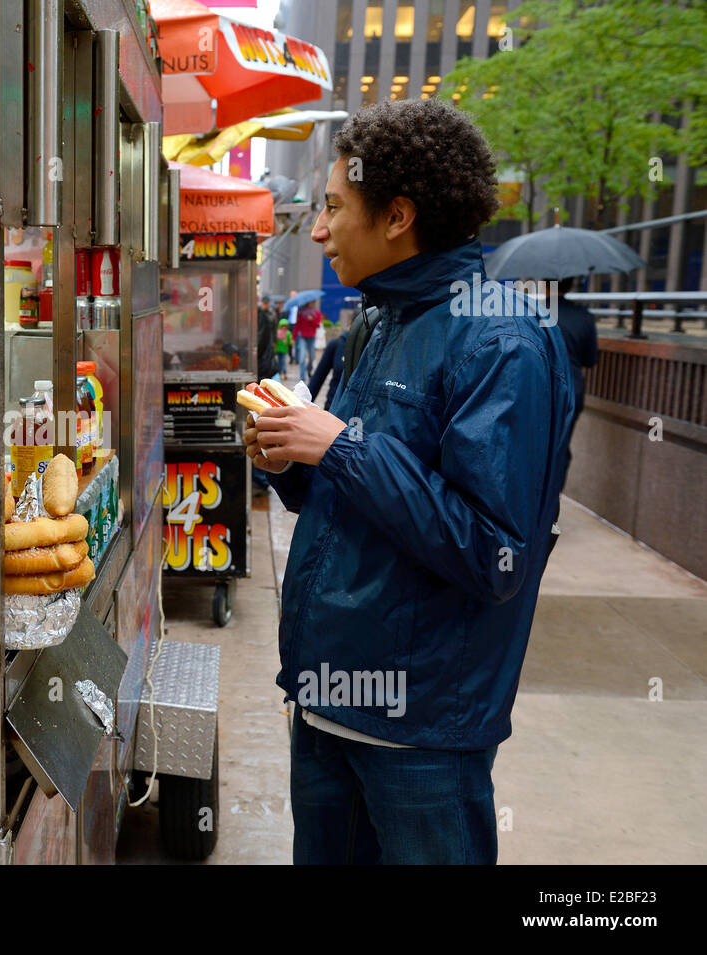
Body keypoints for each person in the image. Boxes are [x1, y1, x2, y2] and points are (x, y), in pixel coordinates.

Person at [243, 98, 573, 864]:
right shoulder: (377, 321)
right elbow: (360, 494)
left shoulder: (502, 340)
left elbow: (493, 553)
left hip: (422, 732)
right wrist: (293, 463)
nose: (317, 229)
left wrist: (343, 449)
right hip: (325, 703)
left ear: (397, 216)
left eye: (331, 208)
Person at [551, 275, 599, 485]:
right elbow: (591, 359)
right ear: (570, 285)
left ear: (543, 284)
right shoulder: (584, 316)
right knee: (560, 450)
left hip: (538, 389)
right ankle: (552, 509)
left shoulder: (530, 312)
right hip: (572, 391)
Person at [307, 308, 352, 409]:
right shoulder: (337, 344)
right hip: (332, 409)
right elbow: (317, 379)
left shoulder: (373, 348)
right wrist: (302, 406)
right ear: (351, 323)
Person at [294, 295, 325, 374]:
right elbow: (297, 325)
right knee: (302, 357)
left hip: (311, 337)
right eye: (311, 302)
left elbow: (318, 325)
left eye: (313, 302)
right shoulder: (301, 313)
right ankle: (302, 376)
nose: (312, 304)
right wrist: (293, 336)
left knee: (311, 357)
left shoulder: (317, 313)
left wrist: (311, 320)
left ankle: (309, 369)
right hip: (302, 337)